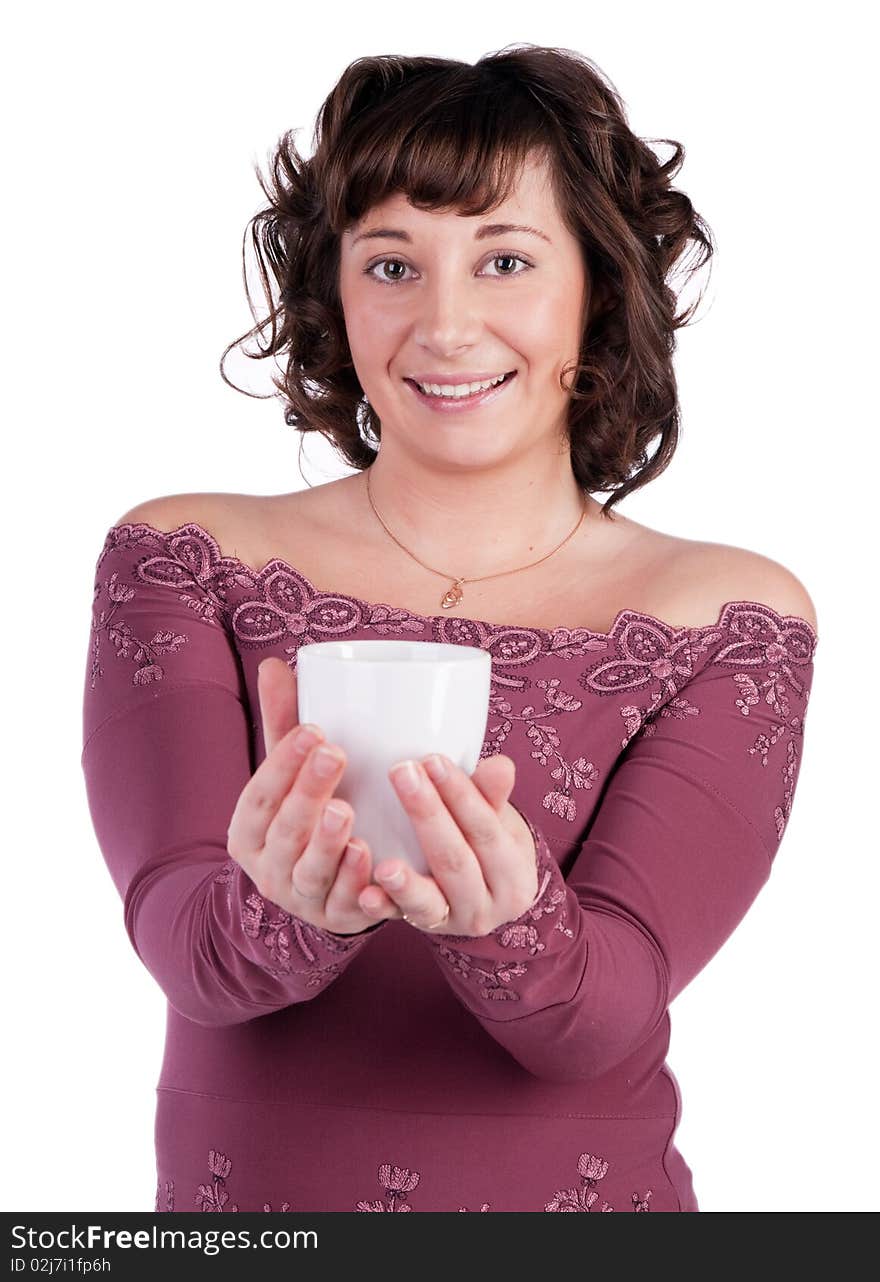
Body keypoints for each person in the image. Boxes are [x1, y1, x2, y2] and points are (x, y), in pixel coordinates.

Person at [80, 46, 819, 1214]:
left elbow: (606, 1012)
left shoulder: (728, 615)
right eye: (391, 263)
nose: (445, 323)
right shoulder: (184, 558)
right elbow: (184, 946)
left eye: (506, 260)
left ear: (599, 291)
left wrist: (513, 925)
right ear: (335, 293)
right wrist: (282, 909)